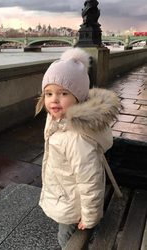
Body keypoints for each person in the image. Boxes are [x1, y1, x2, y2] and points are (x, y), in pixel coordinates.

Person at [36, 48, 121, 249]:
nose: (54, 99)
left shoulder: (76, 137)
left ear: (78, 97)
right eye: (49, 93)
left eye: (63, 93)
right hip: (66, 193)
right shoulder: (58, 120)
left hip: (73, 204)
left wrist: (90, 217)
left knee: (66, 240)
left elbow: (89, 179)